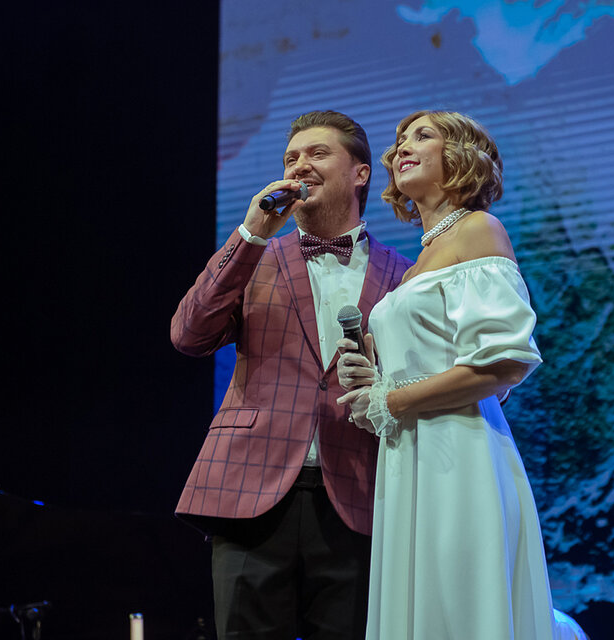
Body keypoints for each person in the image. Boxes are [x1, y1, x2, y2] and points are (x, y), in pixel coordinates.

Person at [336, 111, 588, 640]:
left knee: (461, 604)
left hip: (459, 455)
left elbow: (505, 363)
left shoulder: (479, 230)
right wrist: (372, 379)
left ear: (460, 157)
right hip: (410, 458)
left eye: (422, 136)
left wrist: (392, 401)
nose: (401, 148)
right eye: (400, 140)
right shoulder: (417, 263)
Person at [171, 110, 413, 639]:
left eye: (318, 153)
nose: (299, 165)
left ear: (361, 173)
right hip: (250, 493)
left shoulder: (405, 275)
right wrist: (251, 233)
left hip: (360, 495)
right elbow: (189, 335)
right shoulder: (252, 257)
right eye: (291, 158)